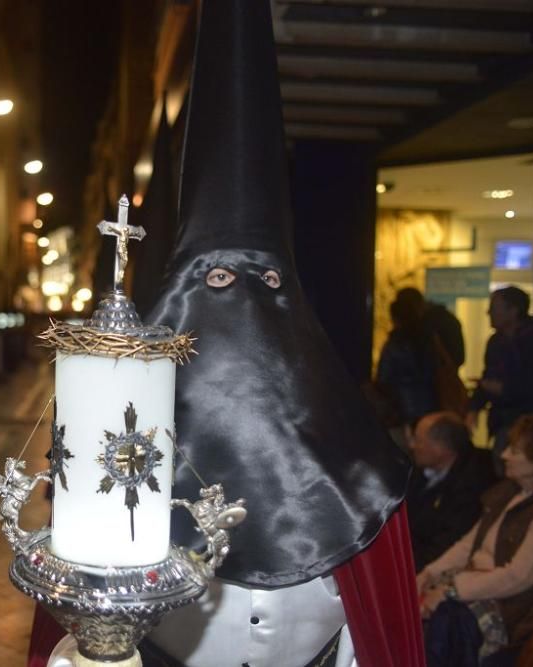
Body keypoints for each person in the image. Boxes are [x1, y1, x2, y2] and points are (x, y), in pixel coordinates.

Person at [30, 2, 423, 665]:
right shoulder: (121, 459)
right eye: (215, 283)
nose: (241, 306)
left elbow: (374, 631)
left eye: (267, 286)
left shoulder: (360, 465)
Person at [418, 414, 533, 664]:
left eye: (515, 450)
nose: (504, 454)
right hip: (474, 585)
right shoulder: (511, 493)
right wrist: (428, 574)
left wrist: (451, 592)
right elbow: (469, 545)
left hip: (512, 608)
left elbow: (517, 577)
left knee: (448, 620)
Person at [467, 286, 533, 474]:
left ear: (513, 311)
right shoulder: (496, 342)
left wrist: (506, 389)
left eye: (495, 308)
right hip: (505, 423)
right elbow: (489, 376)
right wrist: (475, 406)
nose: (489, 313)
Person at [407, 412, 496, 570]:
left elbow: (448, 541)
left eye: (419, 441)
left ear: (441, 448)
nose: (412, 446)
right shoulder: (419, 471)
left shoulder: (473, 484)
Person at [376, 294, 439, 430]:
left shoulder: (394, 345)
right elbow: (432, 373)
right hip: (428, 405)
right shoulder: (427, 341)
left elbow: (383, 378)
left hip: (400, 408)